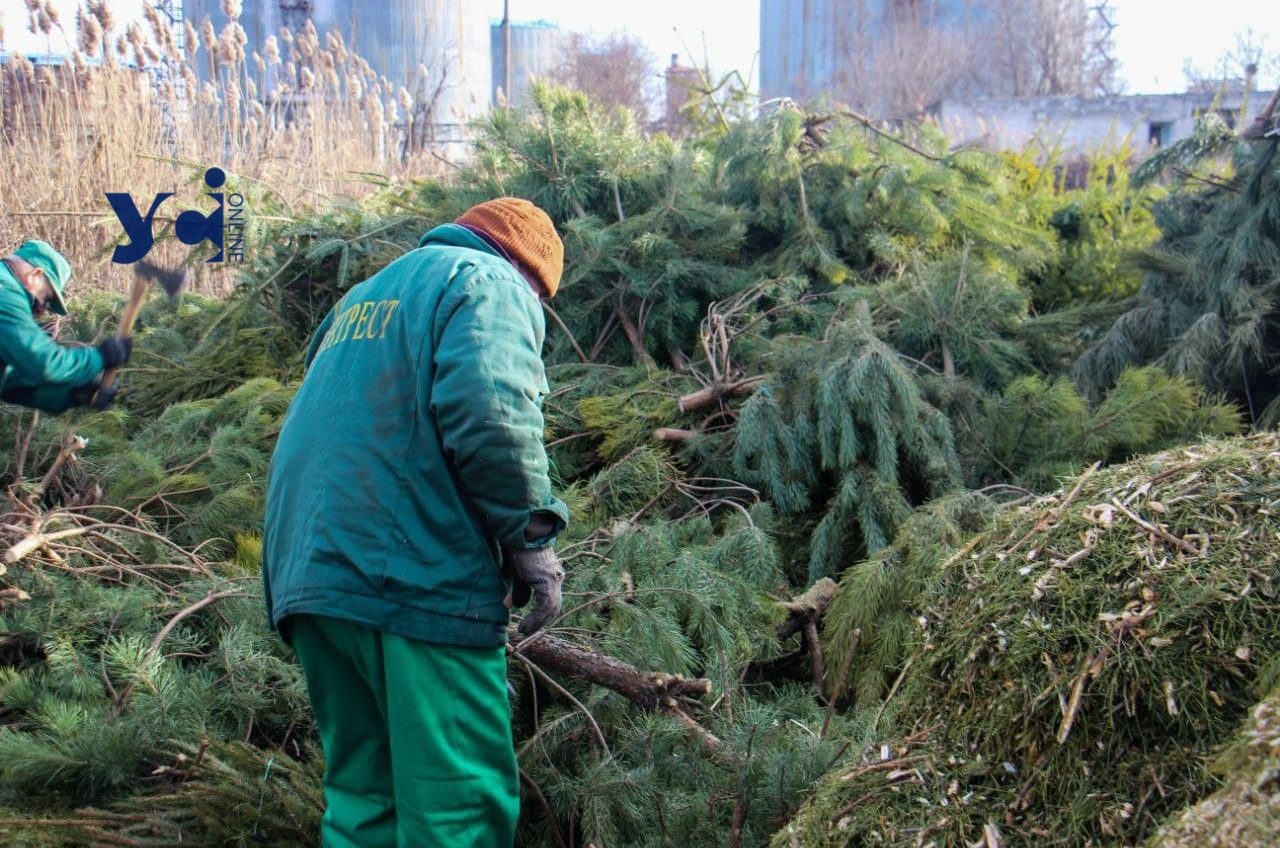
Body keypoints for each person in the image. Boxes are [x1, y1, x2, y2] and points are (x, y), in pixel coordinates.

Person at [263, 197, 571, 847]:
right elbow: (493, 412)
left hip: (310, 582)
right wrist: (532, 542)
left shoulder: (363, 298)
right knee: (456, 810)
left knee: (364, 805)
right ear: (527, 271)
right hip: (413, 582)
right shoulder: (487, 283)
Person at [0, 239, 132, 413]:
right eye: (45, 299)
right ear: (35, 275)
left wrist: (73, 394)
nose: (41, 311)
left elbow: (9, 383)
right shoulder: (5, 292)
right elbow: (45, 364)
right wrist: (99, 357)